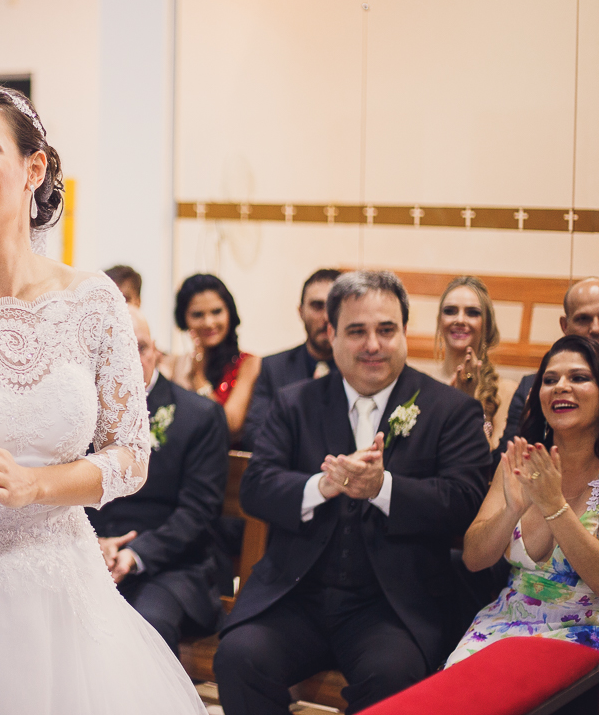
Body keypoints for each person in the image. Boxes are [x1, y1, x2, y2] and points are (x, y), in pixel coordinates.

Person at [0, 82, 204, 713]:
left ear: (34, 168)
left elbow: (131, 455)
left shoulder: (93, 300)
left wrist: (35, 485)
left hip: (65, 583)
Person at [213, 270, 492, 715]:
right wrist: (321, 486)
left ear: (405, 331)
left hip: (391, 608)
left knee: (393, 679)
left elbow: (463, 501)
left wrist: (383, 488)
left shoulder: (451, 410)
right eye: (357, 331)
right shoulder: (295, 402)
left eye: (386, 330)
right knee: (239, 658)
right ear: (332, 334)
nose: (372, 345)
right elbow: (256, 487)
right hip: (295, 597)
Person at [89, 304, 229, 655]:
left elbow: (198, 512)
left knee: (144, 625)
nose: (130, 360)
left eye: (139, 347)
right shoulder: (82, 416)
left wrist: (135, 554)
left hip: (171, 568)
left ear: (155, 351)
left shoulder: (199, 416)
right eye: (116, 349)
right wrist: (94, 544)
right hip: (89, 556)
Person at [450, 335, 599, 664]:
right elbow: (473, 559)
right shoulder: (519, 461)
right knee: (455, 682)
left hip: (585, 633)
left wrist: (554, 507)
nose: (561, 387)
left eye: (578, 377)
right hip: (505, 623)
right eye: (550, 380)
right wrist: (511, 511)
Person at [243, 269, 340, 452]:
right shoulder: (273, 368)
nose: (326, 317)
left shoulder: (362, 370)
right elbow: (255, 436)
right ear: (301, 311)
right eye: (317, 306)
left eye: (333, 307)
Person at [502, 278, 599, 451]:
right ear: (565, 325)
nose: (596, 328)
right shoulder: (532, 387)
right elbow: (504, 455)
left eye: (579, 378)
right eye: (583, 319)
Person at [164, 274, 261, 443]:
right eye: (197, 315)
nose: (208, 323)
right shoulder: (174, 365)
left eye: (217, 312)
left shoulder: (248, 364)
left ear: (229, 313)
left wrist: (198, 379)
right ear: (184, 319)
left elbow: (230, 425)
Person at [432, 276, 517, 449]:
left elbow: (496, 459)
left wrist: (468, 402)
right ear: (440, 322)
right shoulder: (421, 384)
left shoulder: (505, 391)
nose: (460, 320)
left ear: (487, 325)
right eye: (450, 311)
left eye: (472, 313)